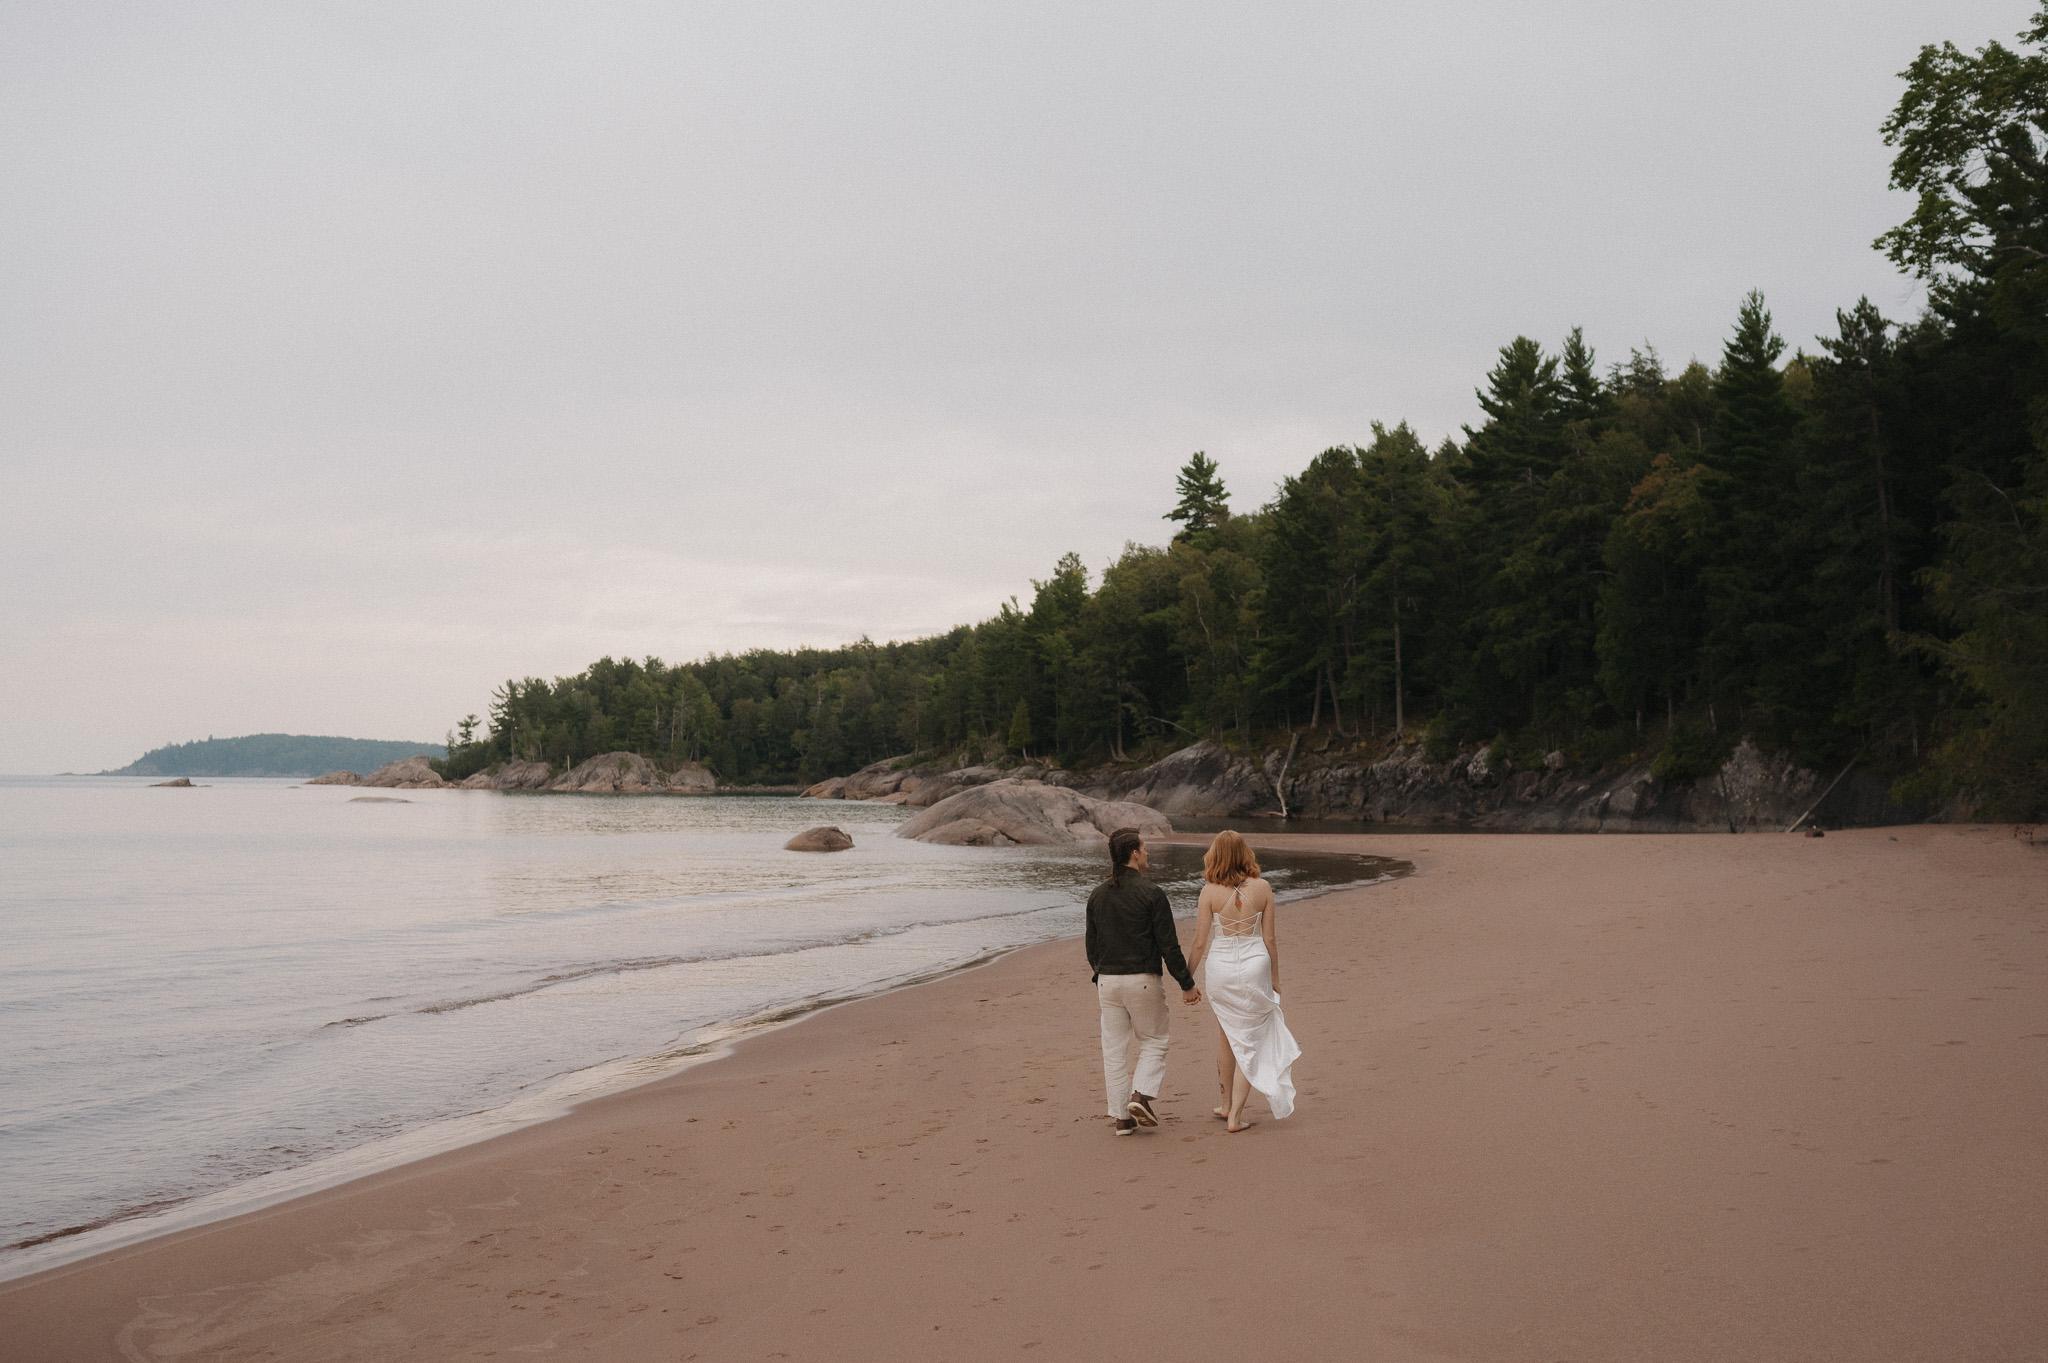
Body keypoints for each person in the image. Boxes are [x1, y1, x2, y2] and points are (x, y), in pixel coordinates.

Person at [1085, 827, 1201, 1136]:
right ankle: (1140, 1096)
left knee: (1114, 1051)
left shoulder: (1098, 895)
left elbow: (1091, 946)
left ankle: (1122, 1119)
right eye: (1144, 847)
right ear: (1134, 853)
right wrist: (1187, 984)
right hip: (1142, 979)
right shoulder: (1152, 893)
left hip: (1107, 981)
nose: (1147, 852)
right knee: (1154, 1040)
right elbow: (1168, 946)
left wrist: (1100, 973)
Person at [1186, 829, 1299, 1132]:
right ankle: (1233, 1114)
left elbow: (1199, 942)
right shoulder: (1263, 887)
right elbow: (1270, 939)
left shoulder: (1209, 891)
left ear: (1215, 855)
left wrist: (1187, 978)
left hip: (1220, 968)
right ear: (1244, 853)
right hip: (1254, 965)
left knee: (1228, 1034)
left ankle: (1228, 1107)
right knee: (1249, 1037)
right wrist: (1275, 978)